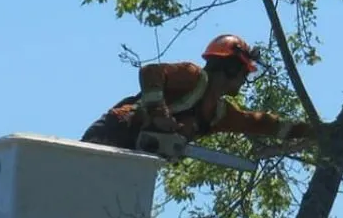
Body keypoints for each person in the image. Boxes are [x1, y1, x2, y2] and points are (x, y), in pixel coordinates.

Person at [81, 34, 314, 151]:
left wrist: (314, 131)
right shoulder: (192, 77)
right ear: (231, 67)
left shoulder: (218, 113)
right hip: (116, 129)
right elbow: (151, 72)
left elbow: (261, 124)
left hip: (137, 154)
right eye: (244, 72)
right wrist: (159, 114)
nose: (244, 80)